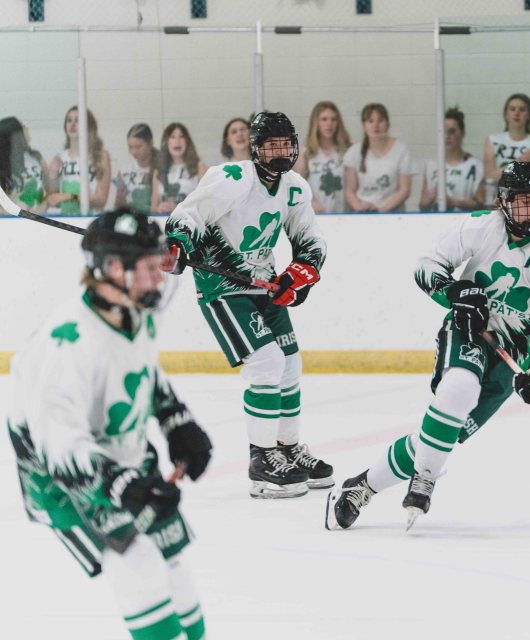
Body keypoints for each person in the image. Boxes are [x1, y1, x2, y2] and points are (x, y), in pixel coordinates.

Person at [327, 161, 530, 530]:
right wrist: (455, 293)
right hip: (469, 331)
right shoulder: (480, 227)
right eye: (524, 201)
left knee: (440, 436)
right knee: (459, 388)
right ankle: (425, 478)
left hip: (511, 353)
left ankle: (362, 485)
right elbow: (427, 267)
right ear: (504, 202)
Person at [6, 209, 214, 640]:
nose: (158, 276)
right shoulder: (66, 344)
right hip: (65, 480)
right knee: (136, 563)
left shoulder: (137, 310)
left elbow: (141, 371)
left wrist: (176, 421)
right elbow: (61, 447)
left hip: (124, 457)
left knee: (172, 559)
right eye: (148, 266)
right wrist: (122, 485)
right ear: (114, 268)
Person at [164, 111, 332, 499]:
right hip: (221, 286)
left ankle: (287, 449)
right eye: (271, 146)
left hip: (261, 283)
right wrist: (178, 242)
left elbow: (310, 238)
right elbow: (189, 214)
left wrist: (299, 274)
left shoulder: (295, 188)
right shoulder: (233, 179)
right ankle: (262, 459)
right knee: (266, 362)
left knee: (290, 363)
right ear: (255, 149)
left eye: (286, 144)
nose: (280, 152)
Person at [343, 103, 413, 213]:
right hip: (363, 213)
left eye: (380, 120)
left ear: (388, 124)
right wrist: (362, 209)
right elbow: (349, 192)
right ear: (364, 126)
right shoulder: (353, 152)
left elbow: (405, 190)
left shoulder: (401, 150)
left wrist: (381, 210)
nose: (376, 125)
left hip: (393, 214)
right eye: (370, 121)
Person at [482, 94, 530, 204]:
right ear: (506, 114)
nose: (517, 113)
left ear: (529, 115)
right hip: (496, 203)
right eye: (512, 109)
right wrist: (520, 161)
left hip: (525, 204)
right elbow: (489, 176)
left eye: (522, 109)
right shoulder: (492, 140)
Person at [46, 106, 111, 215]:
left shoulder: (100, 156)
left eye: (77, 120)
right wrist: (52, 175)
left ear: (88, 126)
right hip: (66, 219)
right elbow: (52, 198)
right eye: (69, 120)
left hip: (90, 218)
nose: (72, 124)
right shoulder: (60, 157)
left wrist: (70, 197)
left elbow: (101, 199)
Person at [419, 106, 483, 212]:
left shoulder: (475, 165)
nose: (447, 136)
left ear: (462, 133)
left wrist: (454, 202)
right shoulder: (431, 165)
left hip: (464, 220)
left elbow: (480, 204)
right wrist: (430, 200)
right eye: (443, 132)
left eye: (452, 131)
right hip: (437, 220)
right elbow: (422, 206)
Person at [293, 101, 351, 213]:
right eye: (324, 119)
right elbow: (298, 188)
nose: (329, 124)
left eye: (333, 119)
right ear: (316, 123)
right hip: (317, 216)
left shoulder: (347, 152)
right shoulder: (304, 154)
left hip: (346, 215)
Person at [152, 123, 208, 214]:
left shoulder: (200, 168)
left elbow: (207, 205)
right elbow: (153, 208)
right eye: (172, 137)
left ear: (187, 141)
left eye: (181, 137)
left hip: (190, 221)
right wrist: (159, 208)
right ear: (166, 142)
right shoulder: (158, 172)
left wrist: (180, 208)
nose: (177, 141)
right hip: (164, 221)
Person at [0, 116, 47, 211]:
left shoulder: (36, 157)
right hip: (14, 216)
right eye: (23, 126)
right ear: (15, 133)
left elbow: (46, 188)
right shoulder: (4, 163)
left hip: (39, 214)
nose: (27, 128)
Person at [115, 123, 160, 214]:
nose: (134, 152)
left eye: (138, 147)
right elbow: (118, 206)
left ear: (150, 143)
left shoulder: (161, 166)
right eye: (130, 147)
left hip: (155, 217)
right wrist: (120, 198)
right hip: (132, 217)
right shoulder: (124, 170)